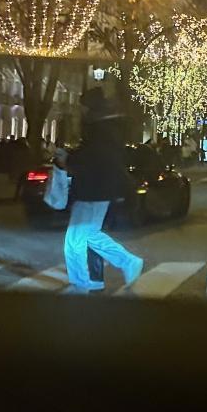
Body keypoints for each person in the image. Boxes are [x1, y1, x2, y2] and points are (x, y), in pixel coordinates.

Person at [64, 89, 142, 292]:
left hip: (91, 190)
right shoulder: (108, 128)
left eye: (82, 106)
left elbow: (93, 157)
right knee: (90, 235)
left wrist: (69, 158)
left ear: (89, 107)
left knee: (74, 240)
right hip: (99, 190)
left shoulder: (98, 130)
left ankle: (80, 284)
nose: (80, 110)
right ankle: (127, 262)